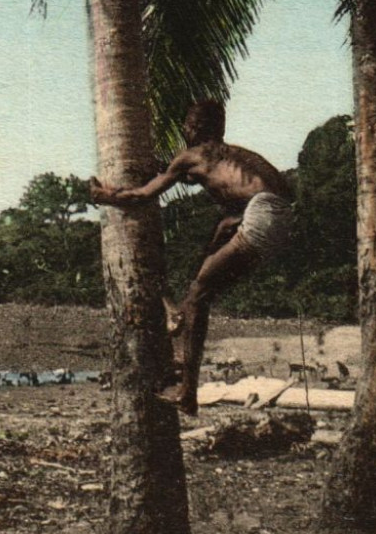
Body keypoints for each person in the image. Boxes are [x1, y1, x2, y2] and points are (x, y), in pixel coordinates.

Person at [90, 99, 293, 415]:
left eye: (186, 125)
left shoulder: (191, 157)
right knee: (204, 282)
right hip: (282, 220)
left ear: (195, 128)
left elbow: (142, 195)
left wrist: (103, 196)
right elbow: (266, 194)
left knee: (198, 295)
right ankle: (179, 328)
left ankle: (187, 391)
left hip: (259, 215)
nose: (183, 130)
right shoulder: (237, 156)